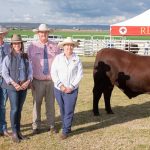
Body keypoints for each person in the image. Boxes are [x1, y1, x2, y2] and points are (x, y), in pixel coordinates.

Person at [27, 24, 61, 134]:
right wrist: (29, 80)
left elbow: (60, 63)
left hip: (51, 81)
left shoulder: (55, 46)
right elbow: (28, 64)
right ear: (38, 34)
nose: (43, 34)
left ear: (48, 33)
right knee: (36, 103)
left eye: (45, 32)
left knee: (50, 104)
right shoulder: (32, 46)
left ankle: (51, 125)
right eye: (41, 32)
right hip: (37, 81)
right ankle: (36, 126)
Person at [2, 34, 33, 143]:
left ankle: (19, 131)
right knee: (14, 109)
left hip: (23, 87)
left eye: (18, 43)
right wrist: (13, 83)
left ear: (21, 44)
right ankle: (14, 132)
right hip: (12, 87)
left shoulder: (26, 57)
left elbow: (30, 71)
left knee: (19, 109)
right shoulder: (8, 57)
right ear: (12, 45)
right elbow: (4, 72)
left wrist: (28, 81)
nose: (17, 45)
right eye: (15, 43)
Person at [51, 37, 83, 139]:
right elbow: (53, 72)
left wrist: (72, 86)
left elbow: (79, 74)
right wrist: (61, 85)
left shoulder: (77, 59)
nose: (69, 47)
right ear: (63, 47)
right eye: (67, 45)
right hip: (59, 88)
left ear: (73, 47)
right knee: (63, 108)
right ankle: (67, 127)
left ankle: (65, 131)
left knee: (69, 109)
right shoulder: (58, 58)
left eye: (71, 45)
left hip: (71, 89)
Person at [0, 26, 10, 137]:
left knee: (2, 105)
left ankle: (3, 128)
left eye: (1, 33)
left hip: (5, 79)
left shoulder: (8, 47)